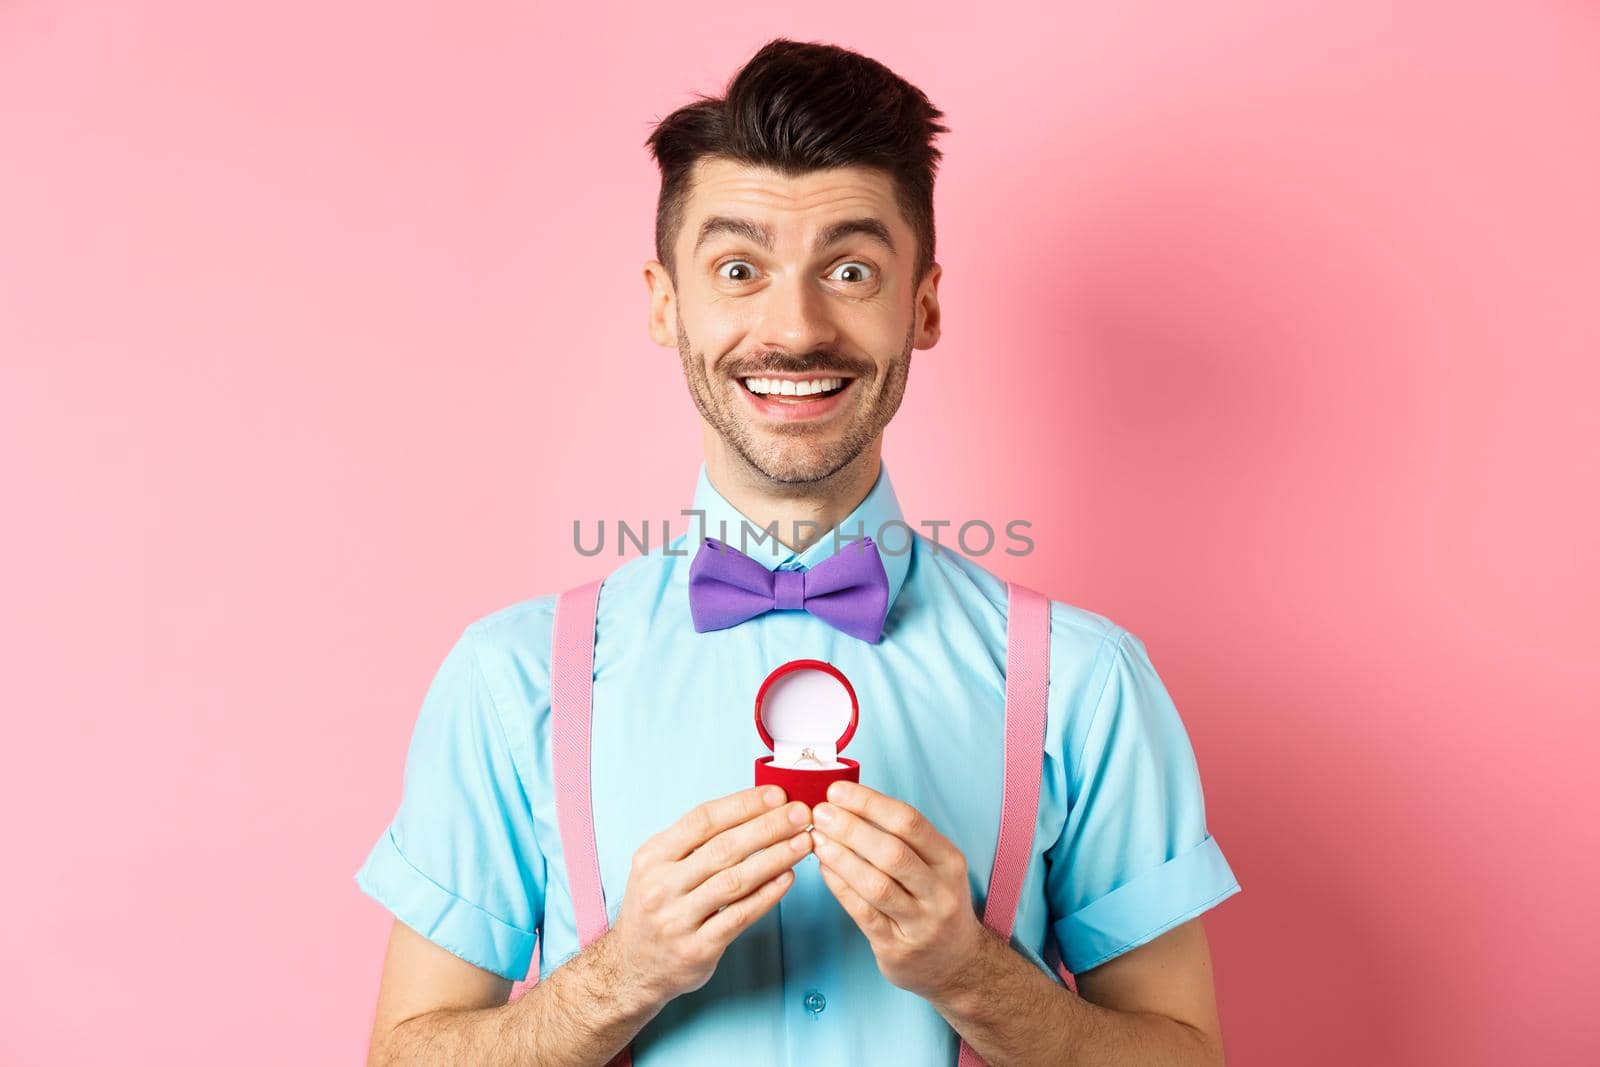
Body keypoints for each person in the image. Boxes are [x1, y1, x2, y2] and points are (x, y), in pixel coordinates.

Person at [355, 37, 1241, 1066]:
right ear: (663, 300)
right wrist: (621, 973)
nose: (795, 325)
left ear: (923, 303)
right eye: (739, 268)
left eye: (851, 269)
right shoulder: (511, 679)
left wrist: (973, 974)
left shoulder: (1084, 680)